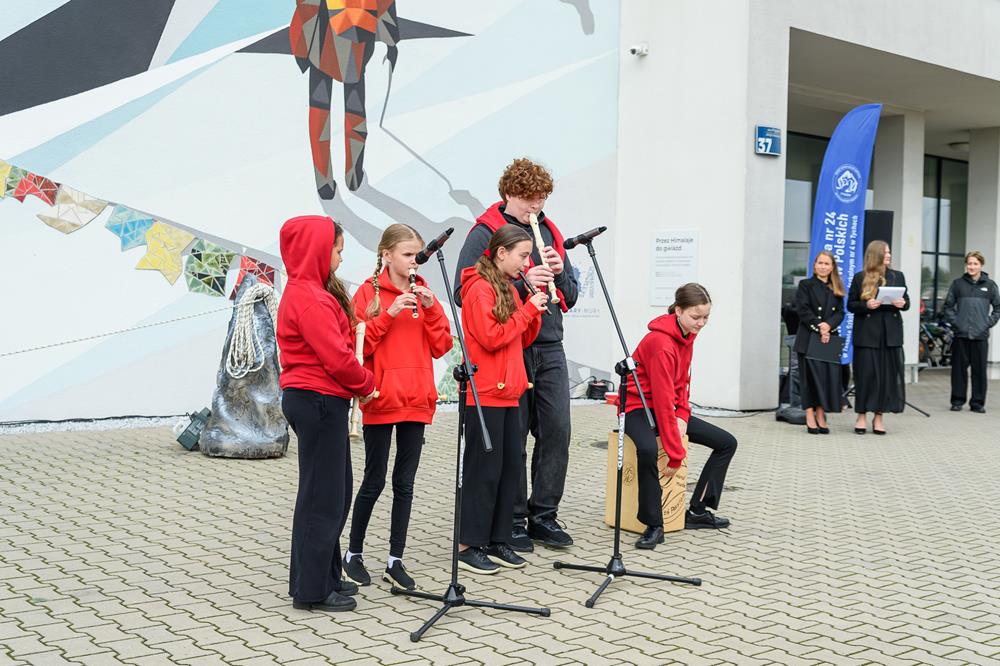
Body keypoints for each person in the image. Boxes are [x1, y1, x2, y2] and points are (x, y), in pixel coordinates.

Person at [453, 158, 579, 553]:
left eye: (541, 199)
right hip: (513, 344)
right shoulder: (485, 232)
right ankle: (513, 519)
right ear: (509, 194)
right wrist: (526, 286)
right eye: (528, 199)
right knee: (515, 436)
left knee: (557, 430)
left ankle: (545, 514)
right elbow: (466, 292)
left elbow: (571, 295)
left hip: (550, 343)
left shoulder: (550, 232)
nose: (535, 207)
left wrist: (557, 273)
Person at [343, 224, 453, 591]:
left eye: (416, 255)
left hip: (417, 401)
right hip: (381, 399)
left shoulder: (424, 295)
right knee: (373, 481)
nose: (413, 262)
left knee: (404, 485)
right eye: (407, 255)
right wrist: (388, 313)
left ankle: (395, 559)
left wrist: (432, 307)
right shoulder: (366, 294)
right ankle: (353, 554)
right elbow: (360, 347)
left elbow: (441, 347)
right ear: (387, 255)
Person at [277, 215, 377, 612]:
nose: (340, 256)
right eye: (336, 248)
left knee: (332, 492)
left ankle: (323, 575)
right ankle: (313, 590)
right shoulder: (310, 298)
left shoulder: (311, 291)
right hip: (316, 400)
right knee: (323, 497)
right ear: (317, 249)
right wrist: (367, 383)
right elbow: (335, 357)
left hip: (320, 400)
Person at [457, 225, 547, 573]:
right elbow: (491, 337)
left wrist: (533, 310)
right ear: (500, 253)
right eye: (523, 256)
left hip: (510, 390)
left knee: (508, 470)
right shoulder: (479, 289)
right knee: (483, 471)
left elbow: (519, 339)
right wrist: (526, 312)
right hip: (486, 394)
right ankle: (468, 544)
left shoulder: (508, 286)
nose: (526, 263)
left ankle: (496, 540)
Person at [623, 283, 738, 549]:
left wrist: (683, 415)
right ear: (678, 310)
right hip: (637, 406)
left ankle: (698, 509)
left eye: (706, 317)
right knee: (648, 450)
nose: (701, 323)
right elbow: (662, 400)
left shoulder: (686, 335)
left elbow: (682, 385)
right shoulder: (661, 343)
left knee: (726, 443)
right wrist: (676, 452)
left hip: (666, 405)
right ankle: (654, 524)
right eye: (695, 317)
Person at [846, 240, 909, 435]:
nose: (889, 255)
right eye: (886, 252)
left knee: (886, 378)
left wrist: (901, 303)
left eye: (889, 252)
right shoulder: (860, 277)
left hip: (890, 336)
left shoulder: (897, 276)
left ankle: (879, 416)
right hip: (867, 335)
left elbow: (907, 303)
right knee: (865, 376)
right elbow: (851, 305)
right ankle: (862, 416)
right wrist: (867, 306)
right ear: (876, 255)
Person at [794, 251, 846, 434]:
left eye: (827, 264)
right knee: (809, 380)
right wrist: (819, 327)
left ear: (832, 267)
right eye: (820, 263)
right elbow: (803, 309)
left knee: (825, 380)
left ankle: (821, 414)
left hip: (828, 340)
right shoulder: (805, 285)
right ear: (814, 265)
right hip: (809, 338)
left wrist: (828, 326)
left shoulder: (837, 287)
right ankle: (809, 414)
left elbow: (840, 313)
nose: (823, 266)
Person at [943, 250, 1000, 413]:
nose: (972, 266)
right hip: (961, 334)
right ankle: (957, 401)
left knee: (979, 371)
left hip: (980, 335)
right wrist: (957, 323)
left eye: (975, 263)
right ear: (966, 265)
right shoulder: (958, 284)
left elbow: (998, 308)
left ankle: (977, 403)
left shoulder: (990, 286)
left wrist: (987, 323)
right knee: (958, 370)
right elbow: (948, 307)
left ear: (981, 265)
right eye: (969, 263)